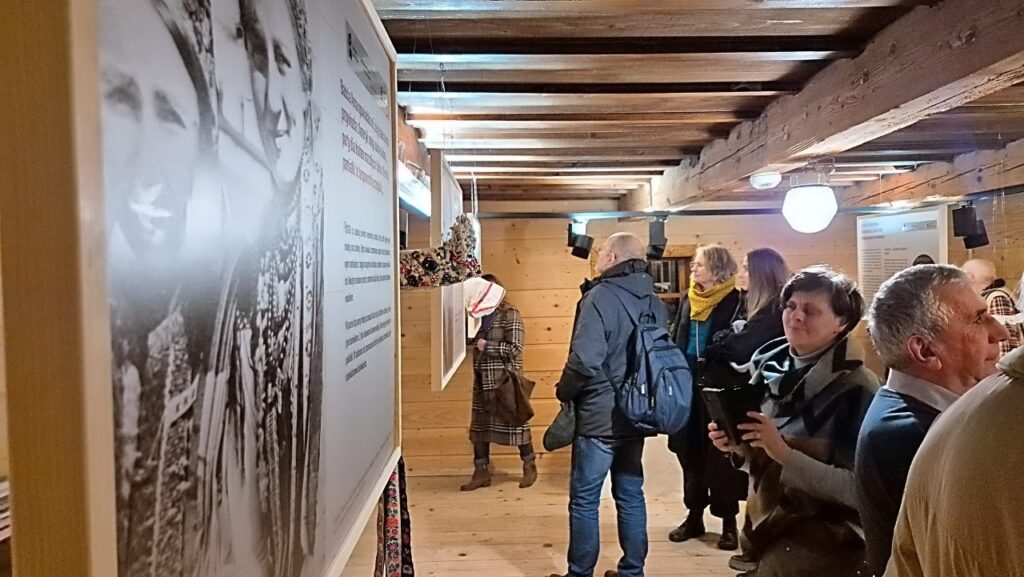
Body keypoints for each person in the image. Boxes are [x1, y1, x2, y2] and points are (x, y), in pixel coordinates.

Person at [710, 267, 881, 577]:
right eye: (790, 306)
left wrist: (784, 454)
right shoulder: (767, 370)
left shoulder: (859, 388)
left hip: (828, 551)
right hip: (768, 535)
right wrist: (737, 447)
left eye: (811, 310)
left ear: (842, 323)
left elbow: (860, 489)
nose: (796, 316)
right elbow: (762, 463)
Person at [856, 265, 1009, 577]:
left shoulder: (911, 413)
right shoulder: (910, 435)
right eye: (978, 319)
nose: (1000, 332)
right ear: (925, 350)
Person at [550, 233, 667, 577]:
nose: (598, 257)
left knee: (585, 499)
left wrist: (564, 391)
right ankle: (633, 572)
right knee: (630, 494)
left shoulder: (599, 296)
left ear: (613, 258)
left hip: (599, 416)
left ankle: (579, 573)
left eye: (601, 252)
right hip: (638, 412)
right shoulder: (655, 302)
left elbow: (585, 359)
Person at [885, 347, 1024, 577]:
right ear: (924, 350)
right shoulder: (904, 429)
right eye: (975, 326)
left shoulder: (964, 407)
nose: (1000, 333)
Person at [706, 248, 790, 571]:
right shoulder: (754, 306)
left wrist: (727, 339)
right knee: (753, 474)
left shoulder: (774, 309)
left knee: (767, 478)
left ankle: (760, 553)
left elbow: (738, 348)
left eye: (746, 268)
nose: (741, 274)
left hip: (767, 402)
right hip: (754, 398)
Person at [667, 245, 745, 550]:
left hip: (719, 386)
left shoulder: (736, 301)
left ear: (717, 268)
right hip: (687, 382)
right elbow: (679, 336)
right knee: (689, 451)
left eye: (699, 264)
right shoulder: (689, 299)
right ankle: (694, 516)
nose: (693, 269)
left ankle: (728, 523)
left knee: (721, 455)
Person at [460, 274, 537, 491]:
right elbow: (469, 341)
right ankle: (481, 472)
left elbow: (515, 349)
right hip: (482, 382)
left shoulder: (510, 314)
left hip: (505, 383)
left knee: (517, 424)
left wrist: (487, 346)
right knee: (479, 430)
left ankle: (529, 465)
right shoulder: (476, 316)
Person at [963, 258, 1022, 357]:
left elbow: (1005, 346)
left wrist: (999, 368)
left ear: (970, 277)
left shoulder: (996, 298)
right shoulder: (989, 297)